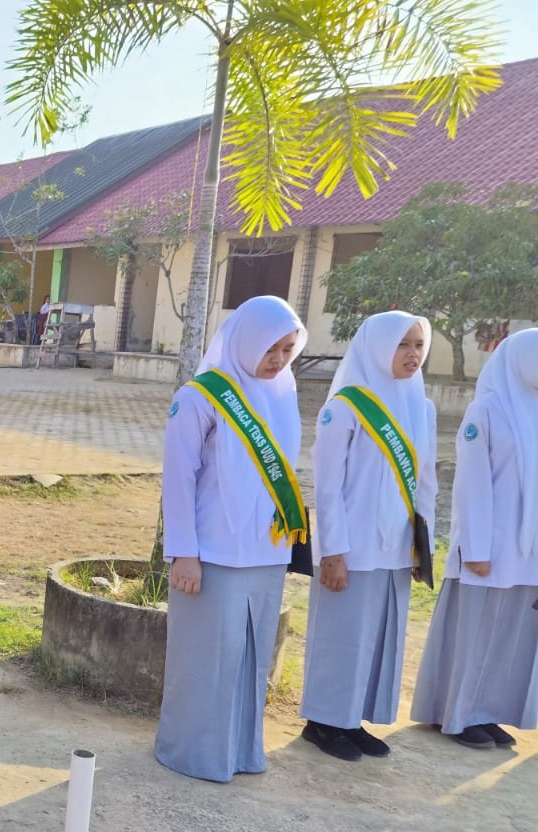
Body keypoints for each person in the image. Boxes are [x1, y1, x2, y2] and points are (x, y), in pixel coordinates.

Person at [156, 295, 307, 782]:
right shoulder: (200, 396)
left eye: (287, 349)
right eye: (270, 348)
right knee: (206, 660)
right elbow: (178, 478)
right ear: (245, 340)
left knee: (249, 661)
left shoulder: (283, 392)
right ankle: (192, 753)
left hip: (266, 553)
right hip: (213, 553)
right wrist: (184, 553)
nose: (278, 359)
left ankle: (240, 752)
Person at [299, 312, 437, 761]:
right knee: (342, 636)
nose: (413, 354)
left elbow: (426, 484)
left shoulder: (421, 406)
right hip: (352, 547)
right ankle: (322, 722)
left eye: (419, 344)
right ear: (378, 347)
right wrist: (332, 551)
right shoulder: (345, 406)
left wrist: (422, 548)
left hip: (396, 548)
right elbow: (327, 486)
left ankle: (351, 719)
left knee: (374, 638)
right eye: (403, 344)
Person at [412, 330, 538, 750]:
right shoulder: (485, 411)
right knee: (474, 634)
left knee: (509, 636)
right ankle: (456, 715)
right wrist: (477, 549)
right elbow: (472, 487)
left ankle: (486, 712)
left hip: (527, 551)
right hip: (489, 549)